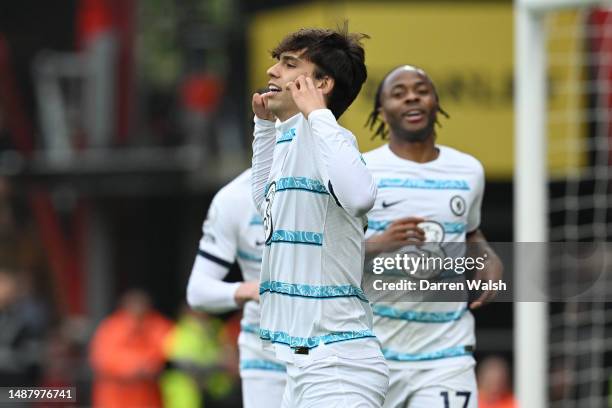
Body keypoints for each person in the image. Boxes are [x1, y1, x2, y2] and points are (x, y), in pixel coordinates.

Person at [251, 25, 388, 407]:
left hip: (338, 366)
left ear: (322, 83)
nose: (272, 72)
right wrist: (264, 129)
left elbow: (361, 196)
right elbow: (265, 206)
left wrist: (318, 113)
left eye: (289, 63)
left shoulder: (332, 139)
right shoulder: (290, 139)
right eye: (276, 62)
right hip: (303, 367)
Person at [363, 65, 503, 408]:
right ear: (382, 111)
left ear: (436, 103)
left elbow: (471, 232)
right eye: (398, 93)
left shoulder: (468, 171)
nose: (411, 96)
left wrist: (487, 255)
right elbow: (331, 253)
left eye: (421, 90)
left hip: (446, 355)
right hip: (374, 355)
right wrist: (377, 245)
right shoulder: (361, 170)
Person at [186, 168, 286, 408]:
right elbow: (197, 291)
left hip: (328, 348)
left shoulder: (332, 181)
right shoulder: (233, 198)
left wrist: (375, 246)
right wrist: (250, 289)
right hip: (265, 356)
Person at [89, 289, 172, 408]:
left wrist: (147, 365)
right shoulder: (112, 327)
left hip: (149, 399)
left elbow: (166, 349)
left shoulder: (157, 325)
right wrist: (135, 367)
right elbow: (102, 358)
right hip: (115, 400)